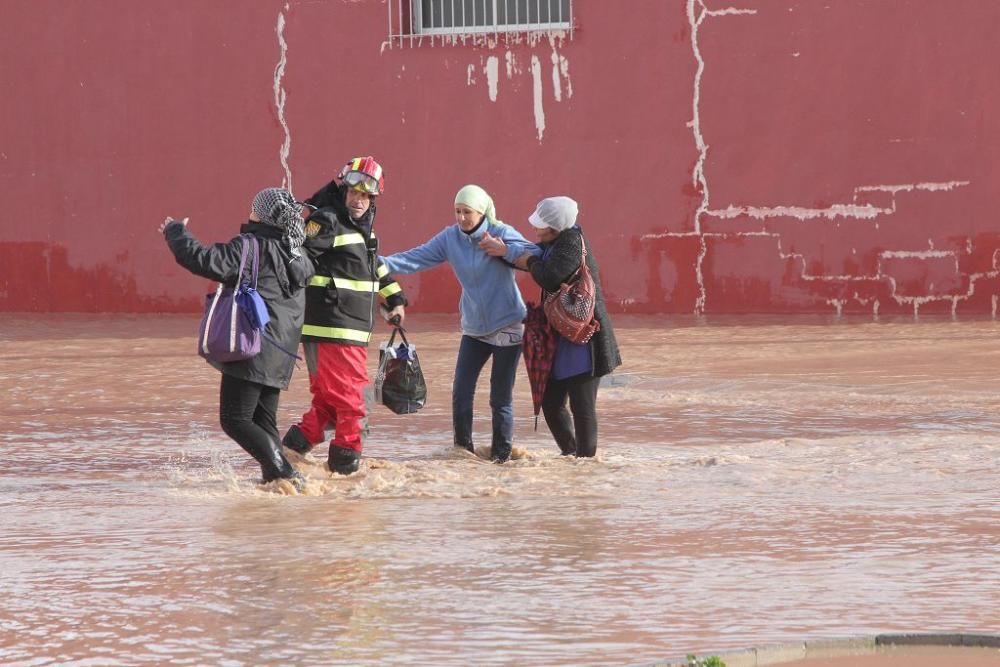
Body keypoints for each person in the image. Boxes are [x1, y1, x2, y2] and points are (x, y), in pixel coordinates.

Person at [159, 187, 314, 489]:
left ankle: (284, 472)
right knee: (263, 422)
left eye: (254, 207)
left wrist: (175, 232)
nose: (250, 212)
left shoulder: (251, 246)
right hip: (282, 351)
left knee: (235, 419)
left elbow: (202, 259)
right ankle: (278, 487)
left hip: (252, 345)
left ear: (262, 214)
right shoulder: (298, 253)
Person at [381, 184, 539, 463]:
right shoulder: (450, 238)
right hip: (474, 329)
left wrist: (503, 250)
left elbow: (534, 254)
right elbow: (414, 258)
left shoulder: (500, 232)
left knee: (500, 397)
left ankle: (502, 457)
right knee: (461, 391)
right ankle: (462, 453)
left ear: (482, 212)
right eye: (457, 211)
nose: (461, 217)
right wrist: (374, 264)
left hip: (508, 325)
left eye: (467, 212)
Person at [280, 156, 407, 475]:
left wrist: (395, 299)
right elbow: (297, 257)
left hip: (345, 331)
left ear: (374, 197)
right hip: (333, 329)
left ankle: (286, 458)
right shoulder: (327, 221)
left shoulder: (364, 231)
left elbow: (374, 267)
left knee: (328, 406)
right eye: (353, 191)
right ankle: (345, 479)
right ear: (343, 189)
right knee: (354, 404)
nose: (359, 199)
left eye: (366, 194)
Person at [513, 196, 621, 458]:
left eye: (541, 225)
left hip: (585, 340)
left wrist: (529, 262)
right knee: (551, 404)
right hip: (563, 339)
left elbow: (550, 278)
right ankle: (572, 456)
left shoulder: (571, 243)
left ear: (555, 227)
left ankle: (585, 465)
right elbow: (532, 253)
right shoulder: (555, 243)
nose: (536, 229)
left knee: (582, 408)